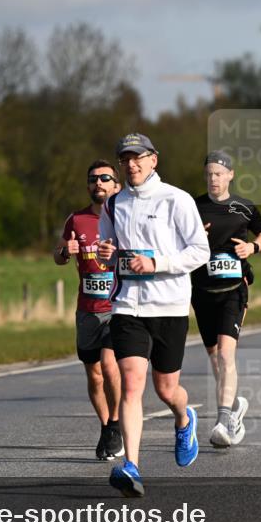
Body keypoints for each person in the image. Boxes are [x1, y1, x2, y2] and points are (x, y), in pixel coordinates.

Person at [97, 133, 209, 497]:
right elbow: (109, 254)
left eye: (138, 158)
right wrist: (106, 254)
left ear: (153, 160)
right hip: (128, 305)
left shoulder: (176, 199)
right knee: (132, 385)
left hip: (170, 306)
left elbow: (199, 251)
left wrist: (157, 262)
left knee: (166, 389)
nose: (131, 164)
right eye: (125, 159)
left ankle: (184, 416)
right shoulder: (113, 205)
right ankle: (131, 465)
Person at [191, 151, 261, 448]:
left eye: (218, 173)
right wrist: (194, 235)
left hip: (234, 290)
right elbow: (175, 241)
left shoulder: (244, 207)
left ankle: (224, 421)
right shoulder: (192, 206)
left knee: (226, 354)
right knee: (215, 358)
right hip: (201, 291)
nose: (213, 179)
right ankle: (235, 404)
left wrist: (252, 249)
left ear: (230, 175)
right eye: (209, 173)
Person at [54, 160, 123, 460]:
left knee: (109, 366)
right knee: (94, 375)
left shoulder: (126, 217)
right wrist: (62, 253)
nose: (99, 183)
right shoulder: (76, 220)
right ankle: (107, 427)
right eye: (93, 178)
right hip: (87, 309)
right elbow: (59, 255)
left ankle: (117, 425)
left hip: (118, 306)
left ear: (117, 186)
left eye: (106, 178)